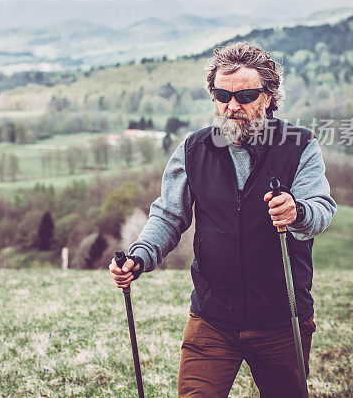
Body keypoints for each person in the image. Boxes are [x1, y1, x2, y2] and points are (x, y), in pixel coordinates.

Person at [109, 41, 336, 397]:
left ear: (269, 97)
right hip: (212, 320)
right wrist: (139, 257)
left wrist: (298, 211)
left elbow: (321, 209)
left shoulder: (299, 145)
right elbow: (169, 216)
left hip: (282, 320)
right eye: (222, 95)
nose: (232, 106)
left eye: (245, 95)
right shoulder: (194, 149)